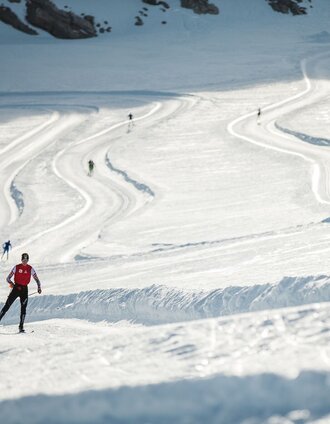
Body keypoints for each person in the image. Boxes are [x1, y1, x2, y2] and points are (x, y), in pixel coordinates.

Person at [0, 253, 42, 333]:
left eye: (26, 260)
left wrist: (39, 287)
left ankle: (21, 327)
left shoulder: (30, 268)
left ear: (28, 260)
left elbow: (36, 279)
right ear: (21, 260)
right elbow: (8, 278)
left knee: (23, 309)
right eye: (23, 260)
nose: (24, 262)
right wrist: (12, 284)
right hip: (16, 289)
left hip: (24, 290)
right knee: (7, 306)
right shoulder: (16, 267)